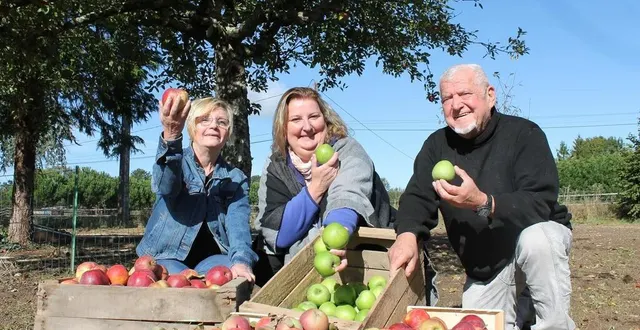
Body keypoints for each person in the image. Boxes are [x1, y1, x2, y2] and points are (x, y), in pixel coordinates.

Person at [388, 64, 575, 330]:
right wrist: (407, 233)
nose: (456, 105)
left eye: (464, 93)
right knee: (482, 323)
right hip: (488, 271)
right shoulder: (436, 146)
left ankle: (553, 325)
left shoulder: (524, 134)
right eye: (447, 98)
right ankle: (523, 307)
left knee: (539, 239)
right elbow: (418, 195)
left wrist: (484, 203)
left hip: (534, 249)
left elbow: (540, 202)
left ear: (490, 95)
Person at [252, 87, 394, 283]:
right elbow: (276, 232)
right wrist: (315, 190)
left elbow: (347, 193)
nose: (307, 127)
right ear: (283, 128)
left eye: (313, 116)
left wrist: (338, 232)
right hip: (302, 276)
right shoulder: (276, 165)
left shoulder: (347, 151)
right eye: (296, 120)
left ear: (326, 121)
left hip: (366, 260)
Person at [136, 94, 258, 283]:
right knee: (178, 285)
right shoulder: (177, 162)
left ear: (228, 131)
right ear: (192, 127)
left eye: (222, 122)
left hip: (214, 258)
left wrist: (241, 261)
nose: (213, 126)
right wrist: (171, 136)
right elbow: (166, 186)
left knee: (232, 274)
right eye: (204, 120)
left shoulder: (235, 179)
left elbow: (238, 227)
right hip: (167, 255)